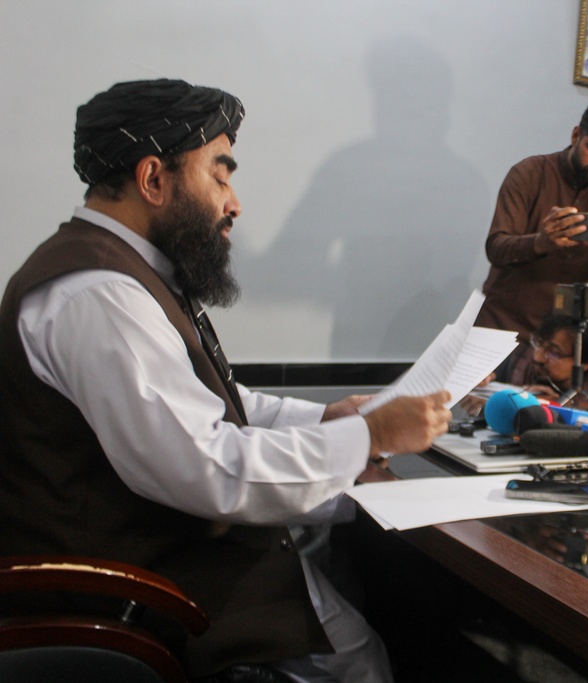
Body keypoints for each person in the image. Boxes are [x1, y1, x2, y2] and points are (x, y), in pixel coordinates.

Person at [0, 79, 453, 682]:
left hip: (160, 555)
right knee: (361, 659)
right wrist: (366, 438)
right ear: (154, 179)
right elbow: (207, 465)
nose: (233, 203)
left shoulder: (125, 271)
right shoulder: (101, 295)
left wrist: (327, 419)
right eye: (220, 174)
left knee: (339, 561)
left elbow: (215, 403)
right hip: (137, 591)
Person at [475, 96, 588, 340]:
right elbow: (495, 248)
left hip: (566, 341)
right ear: (576, 135)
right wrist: (539, 242)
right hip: (503, 327)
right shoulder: (528, 174)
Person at [494, 311, 588, 404]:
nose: (538, 357)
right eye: (539, 343)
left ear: (584, 364)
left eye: (553, 353)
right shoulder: (516, 360)